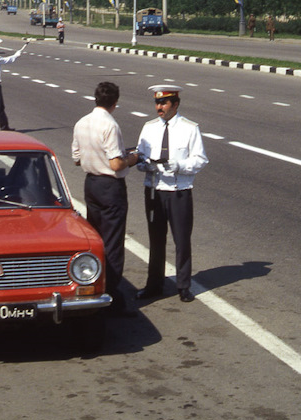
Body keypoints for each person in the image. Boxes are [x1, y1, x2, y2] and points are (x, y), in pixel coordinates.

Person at [71, 82, 140, 316]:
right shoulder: (110, 125)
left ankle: (94, 284)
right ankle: (111, 293)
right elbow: (116, 163)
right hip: (110, 187)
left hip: (91, 185)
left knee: (96, 239)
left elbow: (77, 159)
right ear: (115, 103)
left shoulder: (81, 122)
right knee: (112, 243)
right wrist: (133, 157)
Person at [135, 85, 208, 303]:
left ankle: (184, 285)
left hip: (178, 191)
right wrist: (146, 165)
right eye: (157, 103)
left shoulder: (189, 128)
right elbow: (139, 157)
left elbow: (200, 159)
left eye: (164, 103)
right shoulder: (148, 128)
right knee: (156, 240)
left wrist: (178, 165)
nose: (159, 107)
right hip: (154, 191)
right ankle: (154, 284)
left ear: (175, 105)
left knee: (182, 240)